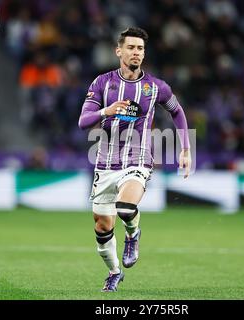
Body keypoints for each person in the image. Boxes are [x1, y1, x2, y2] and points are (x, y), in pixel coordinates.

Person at [78, 27, 191, 292]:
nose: (136, 53)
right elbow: (83, 122)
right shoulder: (102, 83)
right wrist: (106, 110)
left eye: (140, 49)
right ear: (119, 51)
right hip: (105, 164)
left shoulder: (155, 87)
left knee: (126, 208)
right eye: (131, 48)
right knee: (102, 227)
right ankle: (114, 272)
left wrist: (185, 148)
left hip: (137, 160)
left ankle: (132, 234)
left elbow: (177, 112)